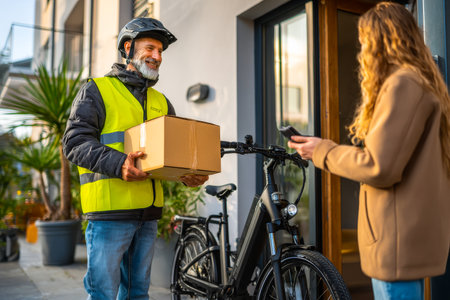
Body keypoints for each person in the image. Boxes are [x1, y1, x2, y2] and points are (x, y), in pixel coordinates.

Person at [288, 2, 450, 300]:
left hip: (395, 243)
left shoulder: (403, 83)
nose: (362, 53)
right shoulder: (422, 81)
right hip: (404, 239)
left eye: (365, 43)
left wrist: (322, 150)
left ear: (381, 41)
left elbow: (379, 166)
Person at [62, 18, 208, 299]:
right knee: (103, 293)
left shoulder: (162, 102)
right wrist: (119, 163)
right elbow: (74, 142)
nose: (157, 56)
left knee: (138, 294)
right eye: (150, 48)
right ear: (128, 48)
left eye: (161, 51)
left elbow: (172, 154)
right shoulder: (96, 90)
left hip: (148, 216)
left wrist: (187, 174)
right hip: (109, 216)